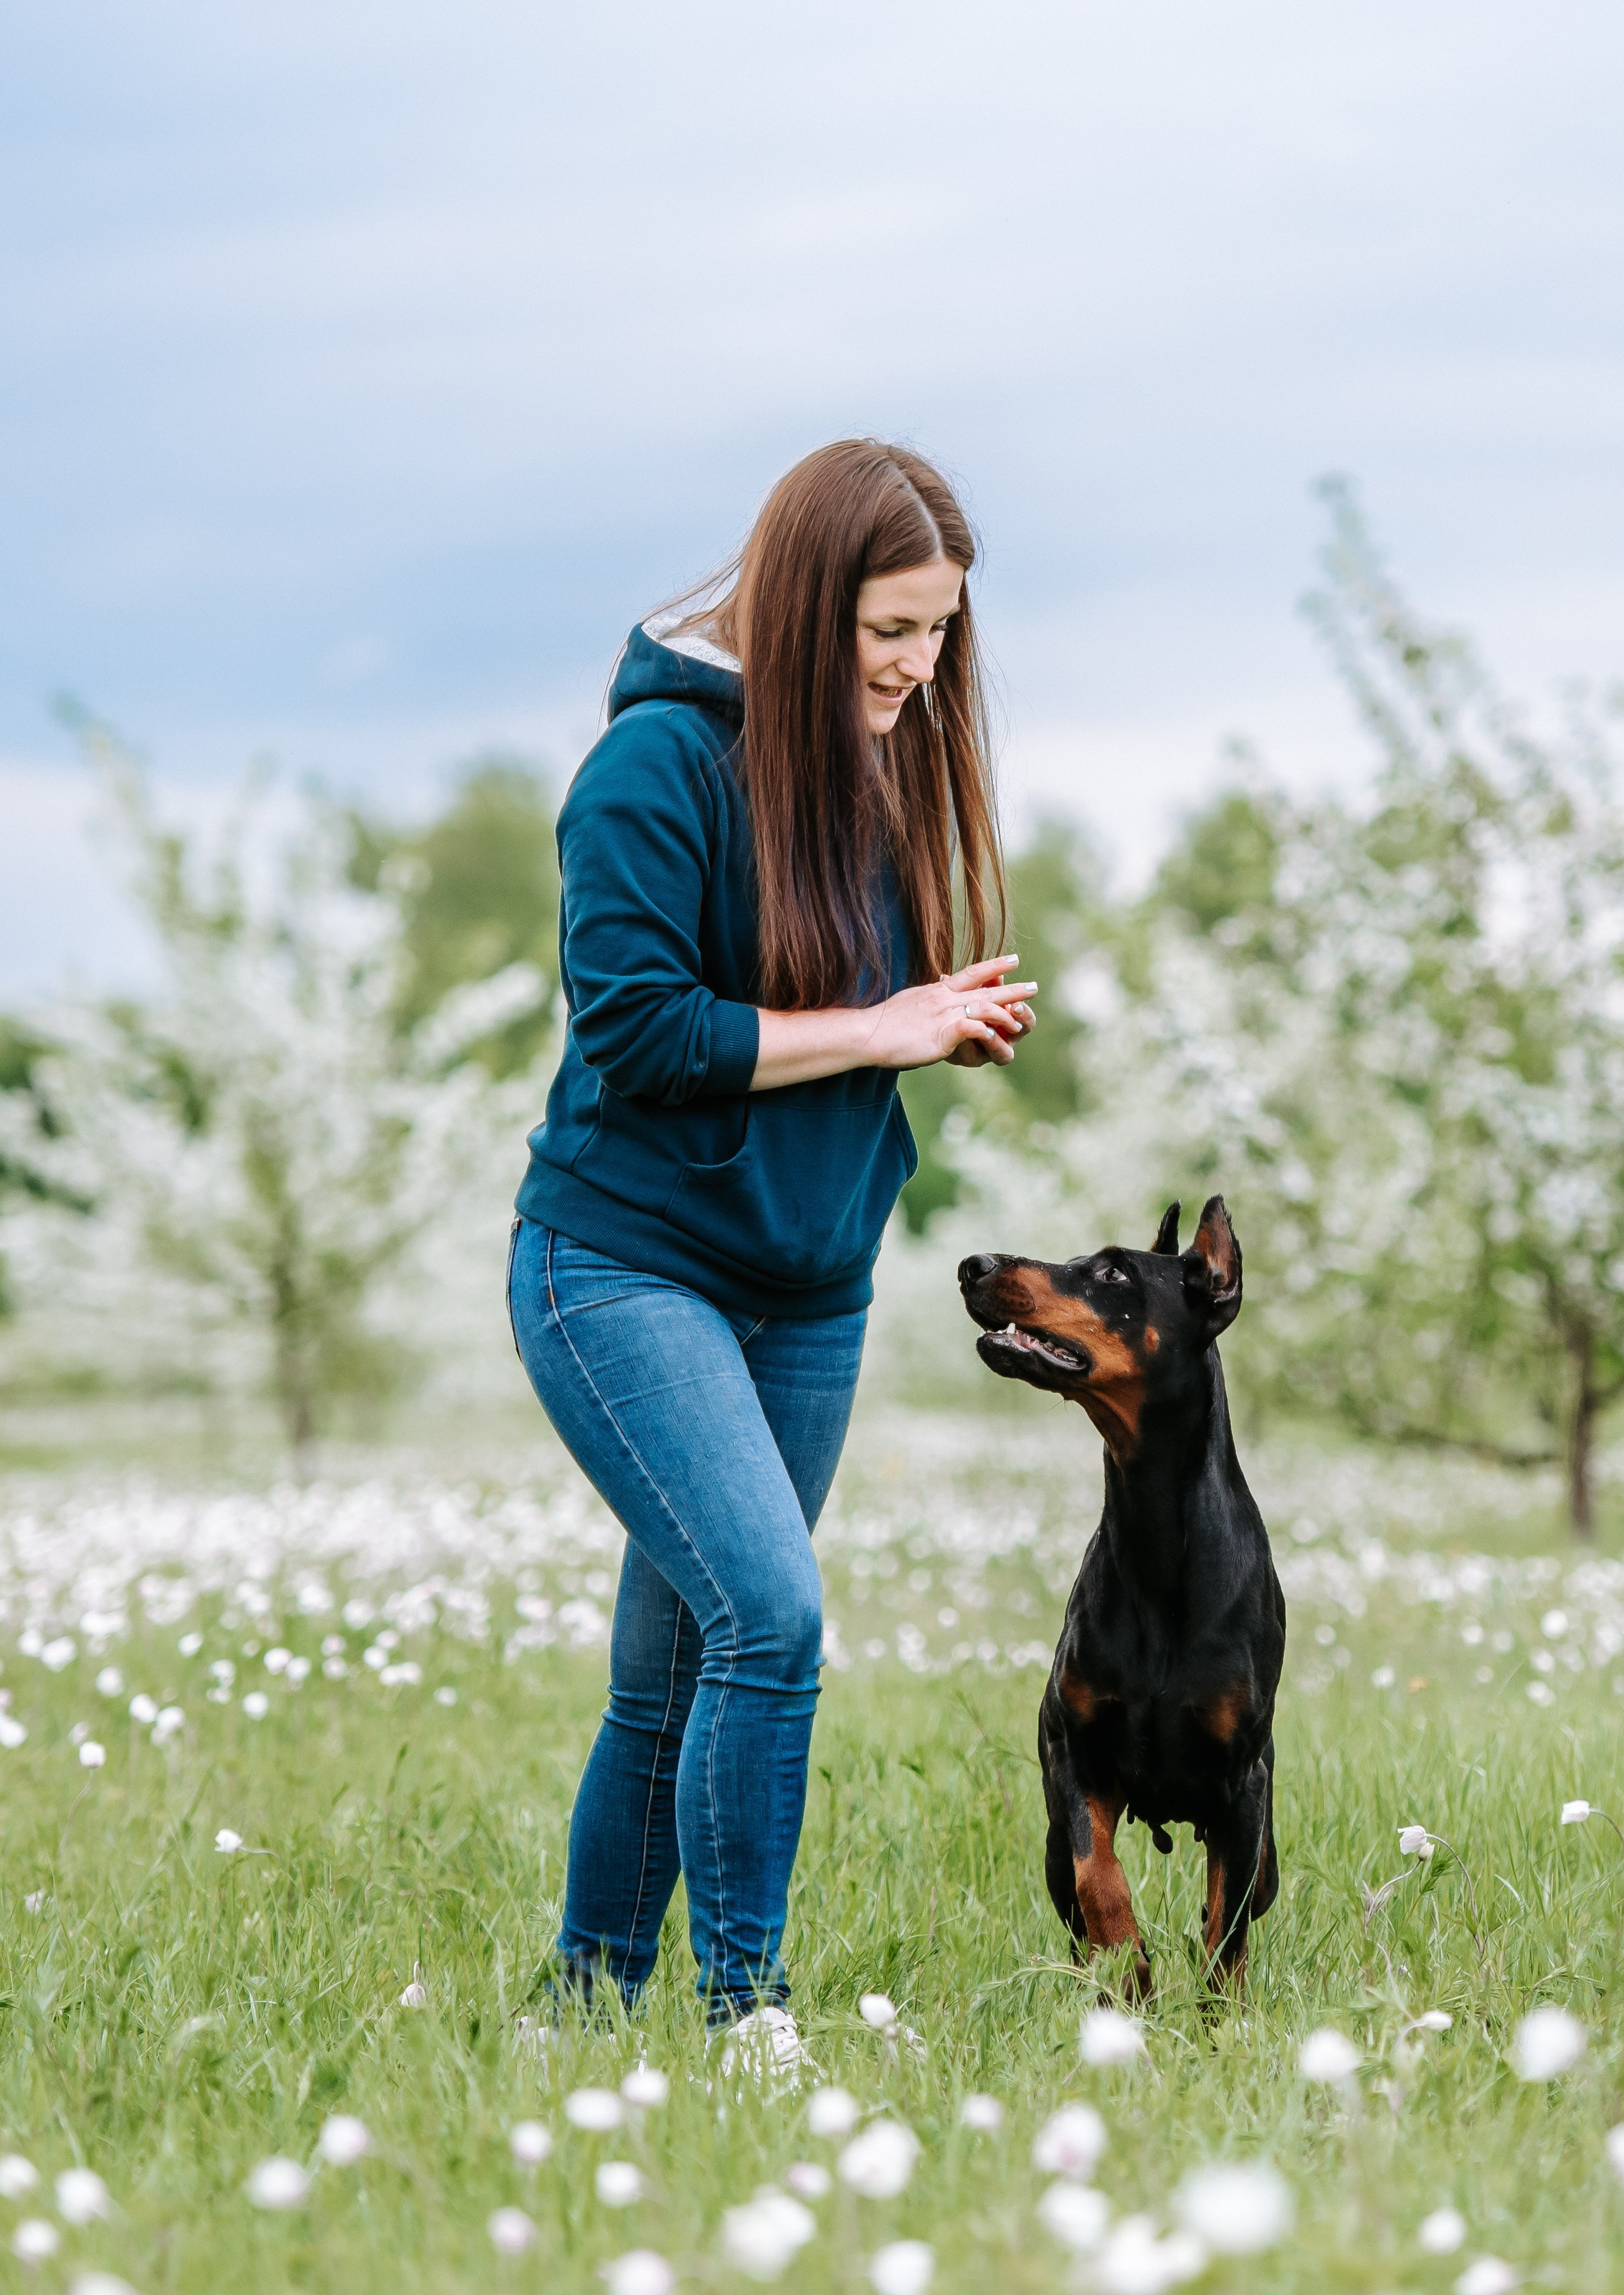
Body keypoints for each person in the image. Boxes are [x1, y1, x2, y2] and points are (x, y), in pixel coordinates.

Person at [507, 439, 1035, 2066]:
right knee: (769, 1619)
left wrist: (911, 1051)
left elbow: (846, 1020)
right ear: (807, 606)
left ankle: (581, 2008)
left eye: (938, 632)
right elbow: (643, 1034)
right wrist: (882, 1025)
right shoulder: (650, 769)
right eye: (889, 630)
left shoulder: (860, 765)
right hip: (623, 1270)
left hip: (802, 1288)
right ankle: (750, 2019)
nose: (916, 666)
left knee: (671, 1669)